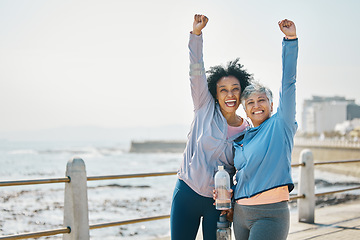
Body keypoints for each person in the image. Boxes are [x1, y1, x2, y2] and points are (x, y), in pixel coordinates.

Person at [170, 14, 252, 240]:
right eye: (223, 89)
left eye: (235, 89)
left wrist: (232, 203)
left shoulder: (248, 131)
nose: (230, 94)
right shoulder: (204, 107)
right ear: (215, 93)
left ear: (241, 92)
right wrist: (196, 35)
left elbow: (244, 173)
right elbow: (196, 70)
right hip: (187, 193)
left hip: (218, 203)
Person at [231, 19, 299, 240]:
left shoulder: (281, 125)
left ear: (271, 105)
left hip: (270, 214)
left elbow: (288, 82)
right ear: (245, 109)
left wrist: (290, 41)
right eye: (250, 102)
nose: (256, 105)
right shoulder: (242, 138)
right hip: (240, 214)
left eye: (262, 100)